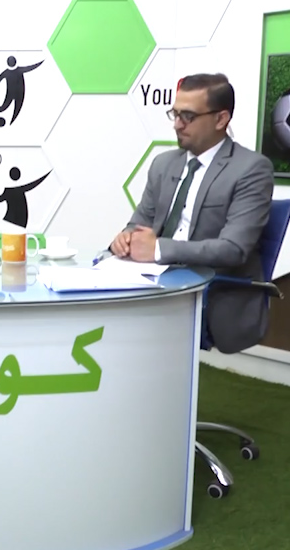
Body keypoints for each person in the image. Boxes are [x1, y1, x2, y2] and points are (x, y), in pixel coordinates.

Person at [109, 73, 274, 353]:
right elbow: (138, 223)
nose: (177, 124)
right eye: (175, 114)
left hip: (210, 288)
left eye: (188, 116)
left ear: (221, 119)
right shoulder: (163, 165)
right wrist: (125, 238)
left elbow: (233, 250)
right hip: (155, 280)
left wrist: (158, 249)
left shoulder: (251, 169)